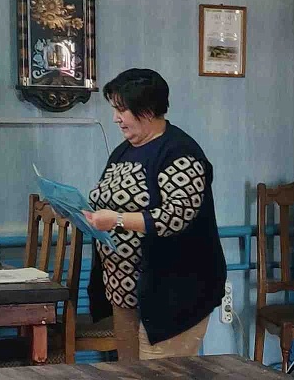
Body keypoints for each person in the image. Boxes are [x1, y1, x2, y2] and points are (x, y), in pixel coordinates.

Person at [83, 68, 227, 359]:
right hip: (125, 294)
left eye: (122, 110)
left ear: (147, 110)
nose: (116, 118)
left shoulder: (179, 152)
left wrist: (117, 220)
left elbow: (176, 216)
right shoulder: (123, 151)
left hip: (172, 295)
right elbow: (107, 200)